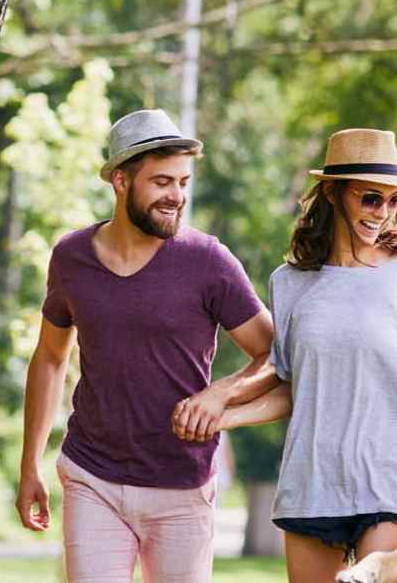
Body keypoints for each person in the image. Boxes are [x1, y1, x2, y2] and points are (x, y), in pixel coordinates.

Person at [184, 128, 397, 582]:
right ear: (332, 192)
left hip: (391, 477)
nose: (383, 212)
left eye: (395, 200)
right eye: (370, 198)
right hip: (313, 479)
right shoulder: (289, 282)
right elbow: (293, 387)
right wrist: (226, 417)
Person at [14, 108, 278, 583]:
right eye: (162, 182)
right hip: (92, 476)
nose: (176, 196)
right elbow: (50, 357)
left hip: (182, 483)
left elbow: (275, 355)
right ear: (121, 180)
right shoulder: (71, 258)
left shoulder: (208, 261)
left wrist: (221, 393)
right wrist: (30, 463)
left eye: (183, 182)